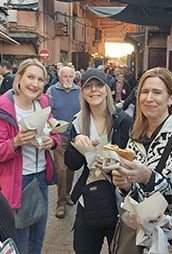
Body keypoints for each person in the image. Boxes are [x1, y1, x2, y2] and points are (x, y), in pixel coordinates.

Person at [111, 67, 172, 253]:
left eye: (157, 92)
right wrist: (125, 184)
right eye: (144, 92)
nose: (149, 98)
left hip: (167, 238)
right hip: (135, 232)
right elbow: (134, 192)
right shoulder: (135, 135)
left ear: (171, 98)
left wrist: (148, 177)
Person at [64, 68, 133, 254]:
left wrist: (114, 165)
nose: (94, 90)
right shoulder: (79, 123)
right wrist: (75, 144)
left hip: (118, 201)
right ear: (83, 91)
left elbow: (133, 159)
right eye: (88, 86)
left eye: (98, 85)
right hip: (90, 199)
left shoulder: (123, 121)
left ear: (106, 88)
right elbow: (72, 164)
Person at [0, 58, 60, 254]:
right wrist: (16, 141)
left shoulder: (43, 102)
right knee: (21, 239)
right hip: (18, 181)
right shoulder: (3, 108)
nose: (35, 84)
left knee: (38, 236)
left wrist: (54, 141)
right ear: (19, 78)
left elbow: (54, 129)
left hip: (41, 177)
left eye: (40, 79)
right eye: (31, 77)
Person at [46, 66, 81, 218]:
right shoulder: (51, 91)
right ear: (59, 77)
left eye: (70, 76)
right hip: (59, 136)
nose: (67, 79)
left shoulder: (79, 92)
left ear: (74, 77)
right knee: (60, 169)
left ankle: (66, 195)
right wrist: (52, 125)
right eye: (64, 76)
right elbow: (46, 111)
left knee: (70, 168)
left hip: (74, 136)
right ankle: (60, 203)